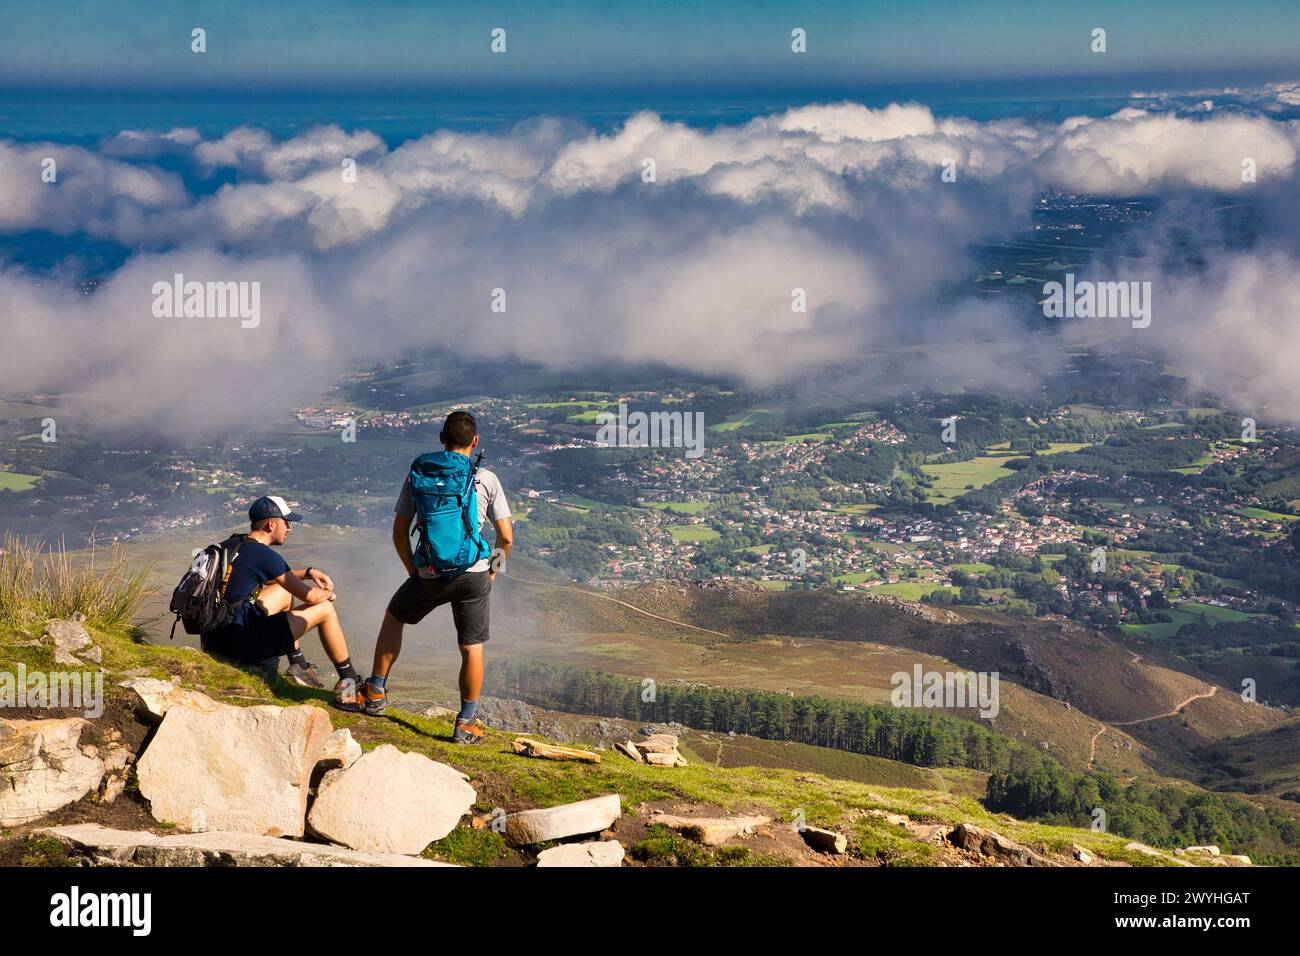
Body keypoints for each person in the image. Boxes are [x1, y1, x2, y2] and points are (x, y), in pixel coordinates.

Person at [358, 411, 513, 743]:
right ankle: (466, 724)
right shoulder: (486, 479)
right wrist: (494, 571)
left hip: (429, 574)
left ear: (441, 438)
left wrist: (413, 571)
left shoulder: (419, 473)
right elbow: (507, 537)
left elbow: (399, 532)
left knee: (394, 617)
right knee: (472, 648)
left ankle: (375, 693)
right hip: (474, 574)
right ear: (475, 442)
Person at [201, 495, 363, 709]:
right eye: (286, 522)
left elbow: (274, 578)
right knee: (325, 609)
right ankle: (349, 685)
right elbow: (312, 598)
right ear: (271, 524)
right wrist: (328, 594)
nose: (289, 528)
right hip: (240, 644)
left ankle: (298, 664)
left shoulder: (234, 544)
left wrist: (307, 572)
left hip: (215, 638)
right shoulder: (264, 555)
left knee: (284, 592)